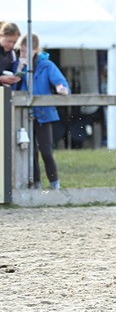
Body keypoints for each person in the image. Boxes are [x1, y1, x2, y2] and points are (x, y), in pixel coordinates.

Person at [15, 34, 69, 190]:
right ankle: (36, 184)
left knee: (46, 151)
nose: (23, 54)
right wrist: (19, 69)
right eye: (22, 51)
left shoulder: (47, 65)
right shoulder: (20, 66)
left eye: (26, 51)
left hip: (43, 114)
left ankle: (55, 184)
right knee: (30, 152)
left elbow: (60, 81)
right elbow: (14, 87)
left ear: (35, 49)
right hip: (23, 116)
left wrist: (61, 88)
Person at [0, 21, 22, 87]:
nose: (11, 45)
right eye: (9, 41)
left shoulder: (12, 53)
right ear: (1, 36)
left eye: (14, 42)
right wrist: (1, 79)